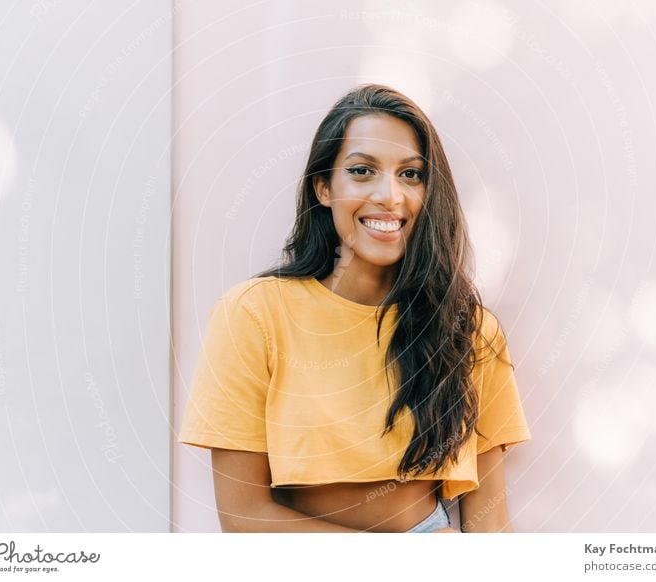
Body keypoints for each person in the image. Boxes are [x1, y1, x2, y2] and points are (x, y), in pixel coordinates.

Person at [178, 84, 531, 532]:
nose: (390, 195)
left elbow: (489, 525)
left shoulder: (466, 327)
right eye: (363, 171)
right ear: (324, 187)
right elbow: (242, 517)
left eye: (411, 174)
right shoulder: (253, 316)